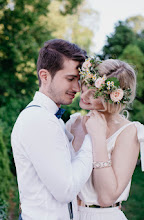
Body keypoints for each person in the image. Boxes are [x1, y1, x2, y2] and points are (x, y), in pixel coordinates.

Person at [11, 39, 94, 220]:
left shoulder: (50, 118)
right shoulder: (38, 120)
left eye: (78, 80)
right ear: (45, 76)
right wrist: (93, 139)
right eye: (71, 79)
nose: (77, 88)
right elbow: (66, 190)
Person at [66, 57, 144, 220]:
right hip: (67, 214)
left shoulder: (128, 132)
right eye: (87, 85)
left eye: (96, 93)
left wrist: (97, 137)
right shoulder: (73, 123)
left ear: (114, 98)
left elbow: (107, 198)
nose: (85, 94)